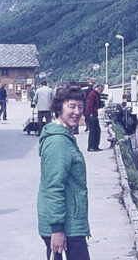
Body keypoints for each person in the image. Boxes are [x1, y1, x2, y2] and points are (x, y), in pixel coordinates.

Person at [38, 86, 91, 259]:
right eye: (71, 106)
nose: (77, 112)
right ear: (59, 107)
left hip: (70, 222)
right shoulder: (58, 142)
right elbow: (53, 187)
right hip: (65, 226)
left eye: (80, 107)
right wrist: (57, 229)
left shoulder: (64, 136)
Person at [85, 85, 102, 152]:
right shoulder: (92, 94)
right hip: (92, 114)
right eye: (101, 89)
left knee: (97, 131)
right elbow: (90, 104)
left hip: (94, 113)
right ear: (98, 88)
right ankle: (91, 146)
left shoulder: (95, 94)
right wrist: (91, 113)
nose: (101, 91)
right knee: (93, 131)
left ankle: (95, 146)